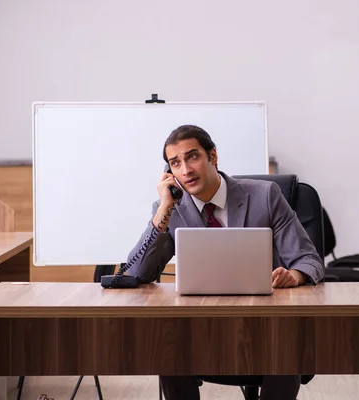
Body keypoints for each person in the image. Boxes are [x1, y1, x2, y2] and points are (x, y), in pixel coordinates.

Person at [126, 124, 324, 400]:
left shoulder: (265, 196)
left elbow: (309, 259)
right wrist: (163, 210)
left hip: (265, 325)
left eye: (192, 156)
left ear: (213, 156)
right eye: (175, 163)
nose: (185, 170)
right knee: (167, 345)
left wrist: (296, 275)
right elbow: (136, 272)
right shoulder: (172, 209)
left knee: (287, 346)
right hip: (198, 328)